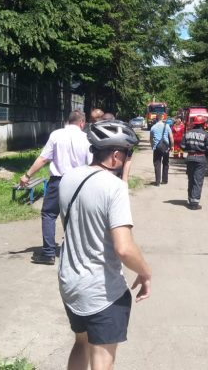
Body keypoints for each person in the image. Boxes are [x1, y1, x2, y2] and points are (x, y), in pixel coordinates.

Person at [58, 120, 151, 370]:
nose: (128, 159)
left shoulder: (69, 178)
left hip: (70, 282)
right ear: (116, 155)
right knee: (102, 358)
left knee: (81, 343)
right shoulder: (114, 187)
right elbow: (124, 248)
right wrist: (145, 272)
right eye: (128, 154)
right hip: (102, 291)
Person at [20, 110, 92, 265]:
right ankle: (76, 253)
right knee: (76, 217)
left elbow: (43, 158)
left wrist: (27, 175)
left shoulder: (56, 135)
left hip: (57, 182)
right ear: (82, 123)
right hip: (78, 183)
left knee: (49, 214)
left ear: (68, 121)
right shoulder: (86, 138)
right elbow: (92, 164)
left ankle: (48, 254)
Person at [179, 115, 208, 210]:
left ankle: (190, 199)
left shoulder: (188, 133)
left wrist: (189, 149)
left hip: (190, 158)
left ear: (194, 124)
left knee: (191, 179)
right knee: (197, 180)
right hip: (200, 159)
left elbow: (182, 146)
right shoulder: (205, 135)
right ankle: (194, 203)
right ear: (203, 124)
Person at [149, 114, 173, 186]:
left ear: (156, 119)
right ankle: (165, 180)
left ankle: (157, 182)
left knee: (157, 164)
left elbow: (151, 138)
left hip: (157, 147)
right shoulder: (167, 126)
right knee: (165, 163)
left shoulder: (153, 127)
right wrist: (172, 146)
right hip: (165, 147)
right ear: (162, 119)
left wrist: (152, 146)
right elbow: (171, 137)